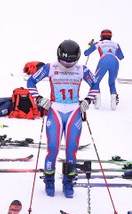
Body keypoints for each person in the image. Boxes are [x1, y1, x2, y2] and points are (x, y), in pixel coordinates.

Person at [26, 39, 99, 198]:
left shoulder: (82, 69)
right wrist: (38, 99)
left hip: (74, 111)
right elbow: (31, 81)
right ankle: (49, 179)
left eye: (70, 62)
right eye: (64, 61)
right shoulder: (50, 67)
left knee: (71, 151)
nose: (66, 65)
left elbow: (95, 85)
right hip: (55, 110)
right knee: (52, 149)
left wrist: (88, 100)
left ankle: (68, 181)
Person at [84, 29, 124, 110]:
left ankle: (97, 101)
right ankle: (113, 103)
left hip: (104, 60)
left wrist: (89, 45)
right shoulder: (116, 44)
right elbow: (121, 57)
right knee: (112, 82)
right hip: (114, 60)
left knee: (95, 81)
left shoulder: (98, 43)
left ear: (101, 36)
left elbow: (86, 53)